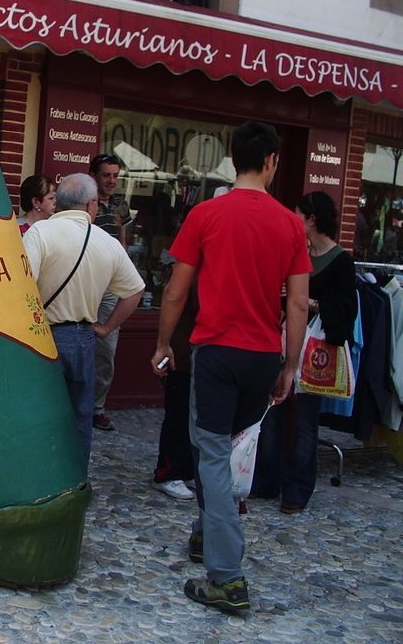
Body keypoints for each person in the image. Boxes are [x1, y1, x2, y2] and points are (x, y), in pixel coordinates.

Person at [150, 121, 311, 614]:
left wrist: (162, 342)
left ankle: (226, 578)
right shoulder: (290, 223)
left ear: (233, 158)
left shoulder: (206, 213)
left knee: (215, 457)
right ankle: (205, 535)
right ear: (271, 163)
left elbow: (176, 289)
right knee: (230, 456)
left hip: (217, 352)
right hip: (263, 355)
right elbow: (299, 305)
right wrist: (290, 366)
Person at [23, 173, 144, 467]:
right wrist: (105, 327)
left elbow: (23, 284)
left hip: (42, 333)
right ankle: (74, 479)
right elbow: (135, 291)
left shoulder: (39, 234)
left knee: (35, 414)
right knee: (79, 415)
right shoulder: (108, 242)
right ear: (92, 205)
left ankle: (36, 476)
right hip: (82, 336)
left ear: (59, 202)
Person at [252, 191, 357, 514]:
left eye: (298, 215)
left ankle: (297, 490)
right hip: (283, 338)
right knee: (272, 414)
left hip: (316, 346)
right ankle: (266, 479)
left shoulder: (341, 261)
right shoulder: (296, 252)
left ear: (311, 219)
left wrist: (311, 304)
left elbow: (347, 309)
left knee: (307, 421)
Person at [89, 153, 133, 432]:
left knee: (106, 349)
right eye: (107, 175)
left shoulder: (119, 204)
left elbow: (123, 240)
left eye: (116, 176)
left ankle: (96, 408)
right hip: (85, 281)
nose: (112, 181)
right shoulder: (84, 199)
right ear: (94, 175)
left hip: (109, 285)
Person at [152, 274, 199, 501]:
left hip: (195, 354)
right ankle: (168, 472)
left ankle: (187, 468)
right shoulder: (192, 271)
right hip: (182, 355)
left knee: (193, 418)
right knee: (179, 416)